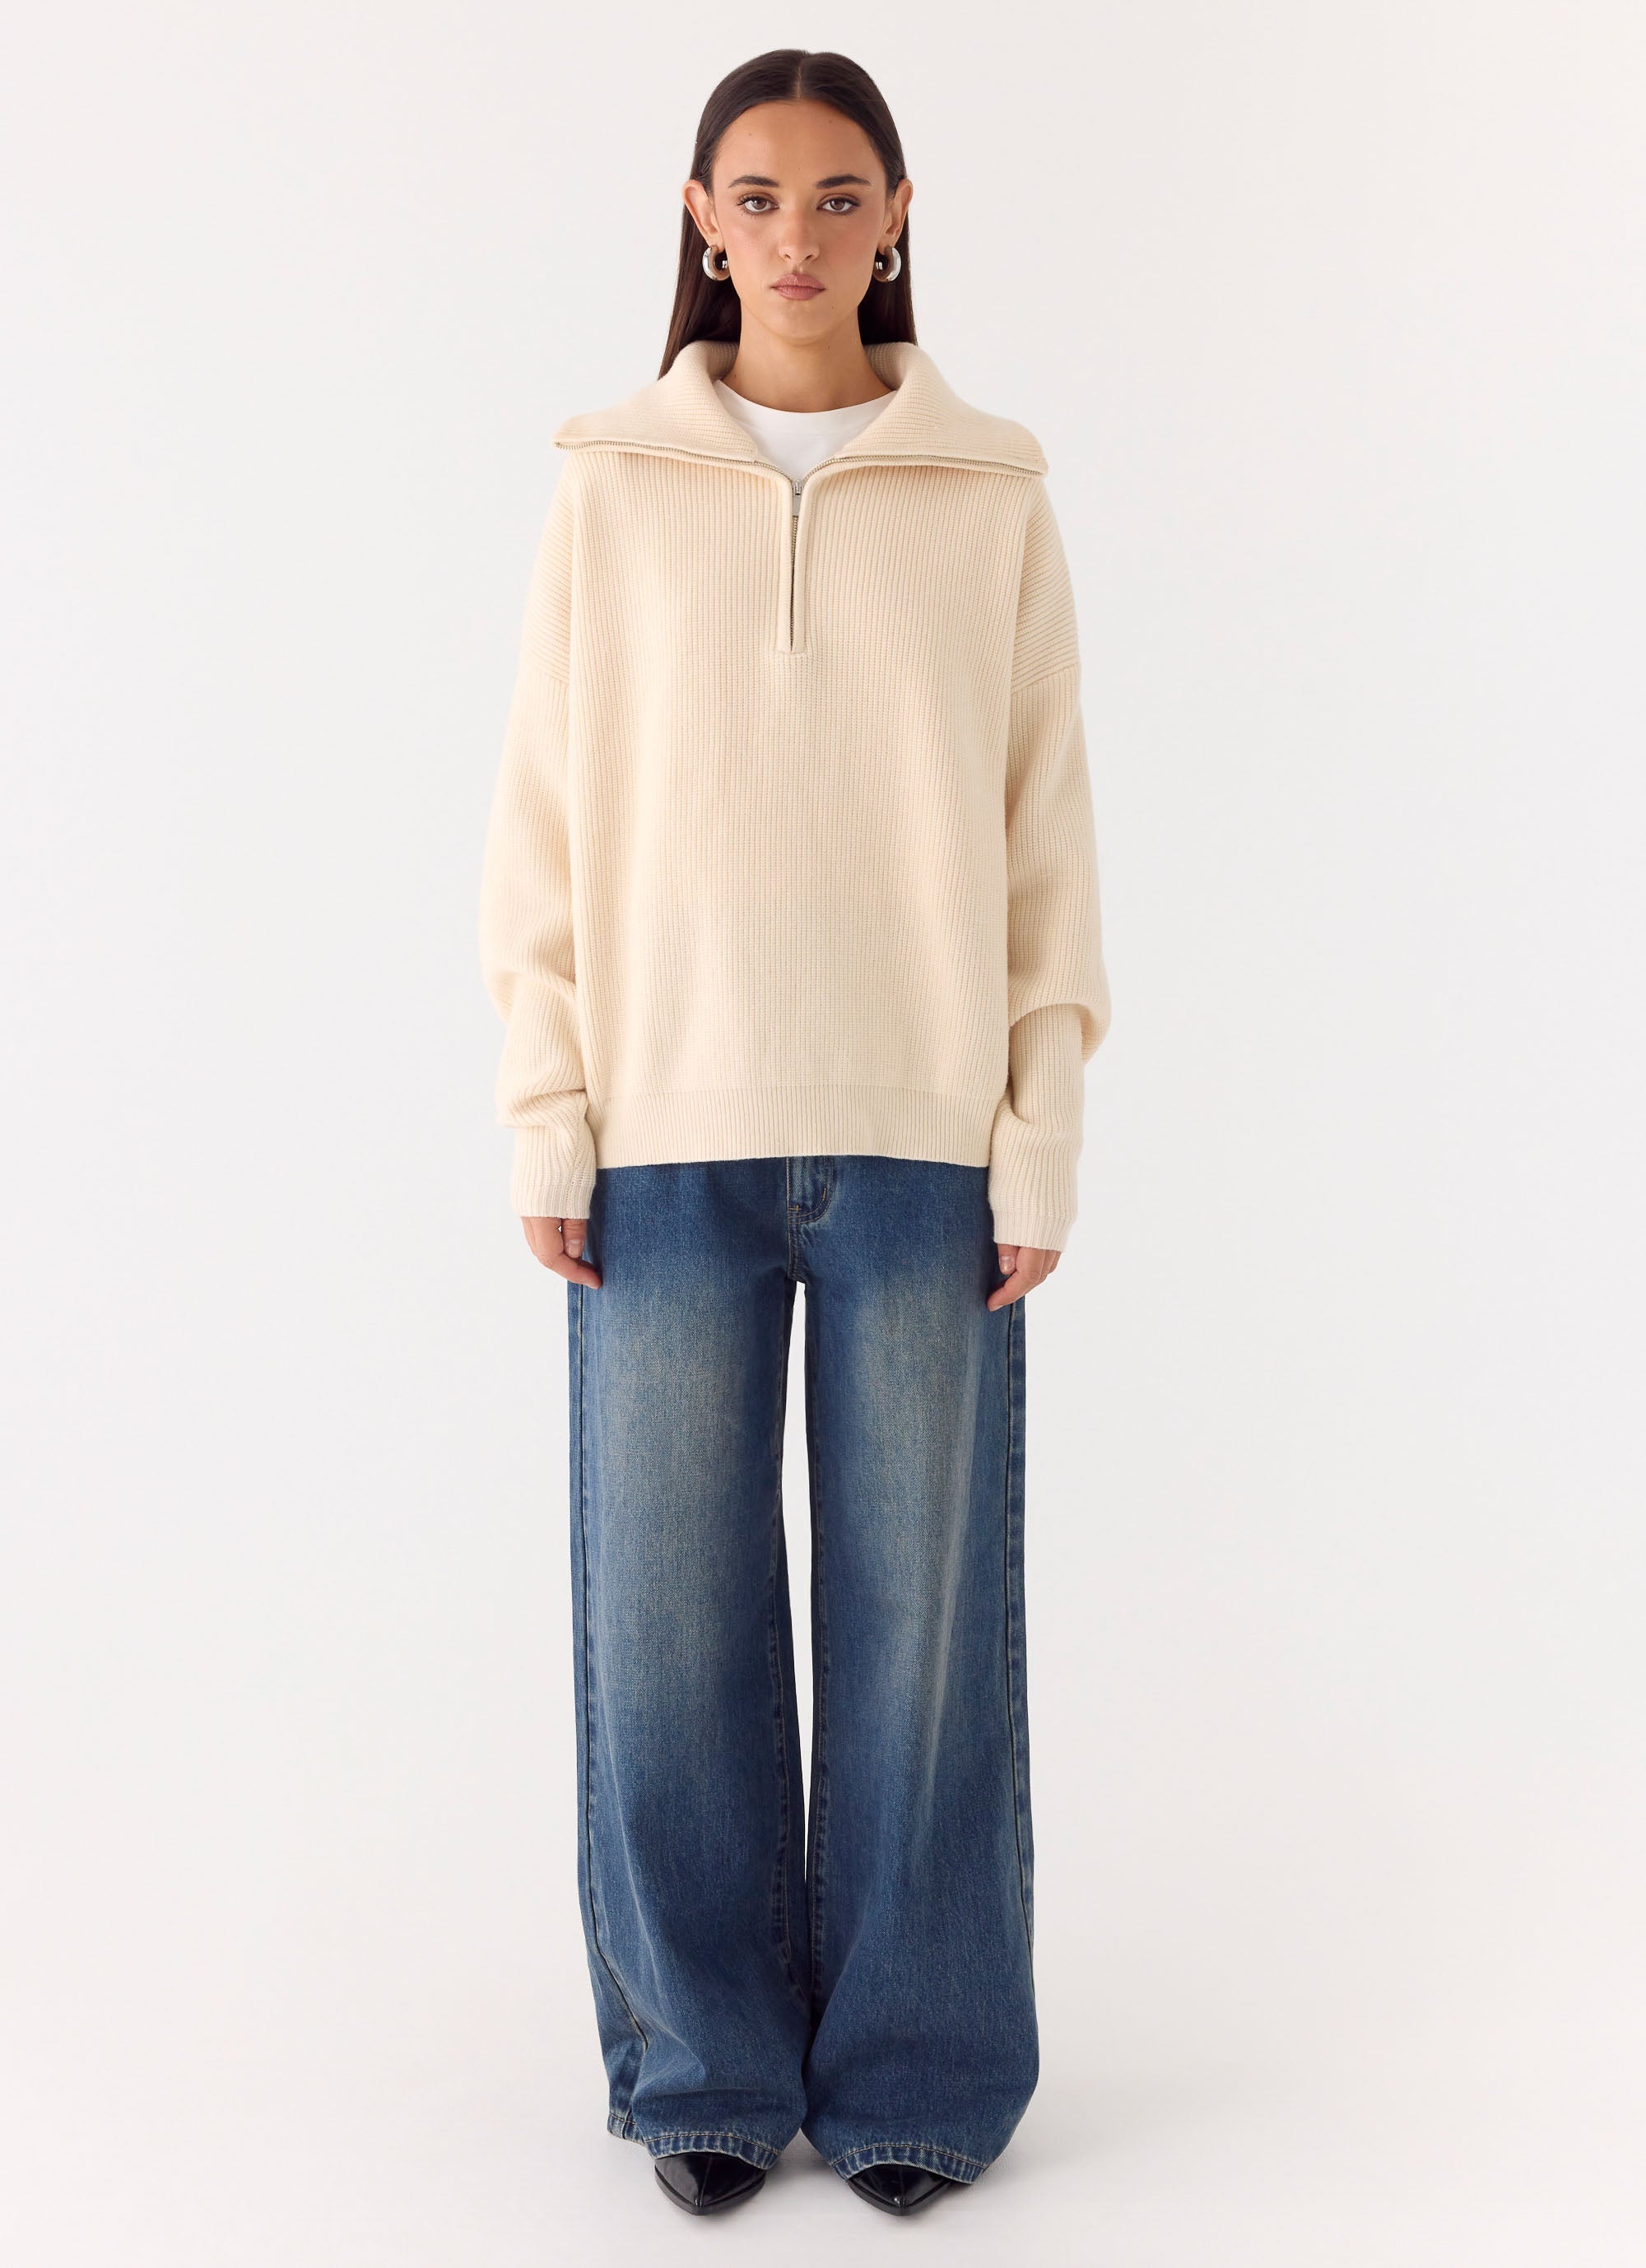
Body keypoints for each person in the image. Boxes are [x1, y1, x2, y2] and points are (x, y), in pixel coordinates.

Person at [478, 46, 1110, 2220]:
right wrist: (547, 1103)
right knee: (667, 1628)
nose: (800, 234)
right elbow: (544, 819)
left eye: (841, 196)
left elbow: (1046, 830)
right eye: (758, 197)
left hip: (925, 1128)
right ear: (700, 220)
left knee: (927, 1629)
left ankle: (922, 2062)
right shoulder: (609, 482)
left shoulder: (992, 491)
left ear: (899, 215)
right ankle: (706, 2069)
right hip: (664, 1126)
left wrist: (1038, 1125)